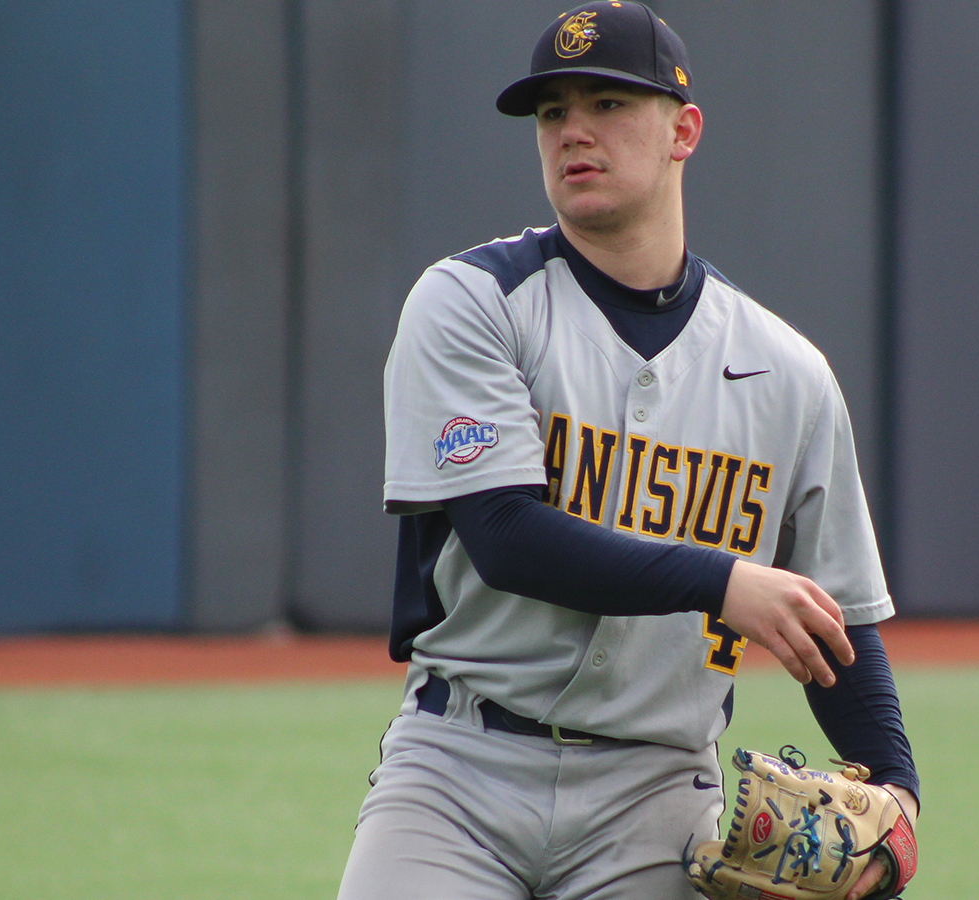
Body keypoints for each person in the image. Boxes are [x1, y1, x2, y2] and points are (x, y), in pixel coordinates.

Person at [338, 4, 917, 898]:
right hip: (457, 771)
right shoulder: (473, 303)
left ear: (684, 130)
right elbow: (504, 535)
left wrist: (900, 794)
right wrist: (723, 581)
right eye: (552, 112)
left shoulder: (789, 374)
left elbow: (834, 623)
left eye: (608, 103)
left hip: (655, 797)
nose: (574, 131)